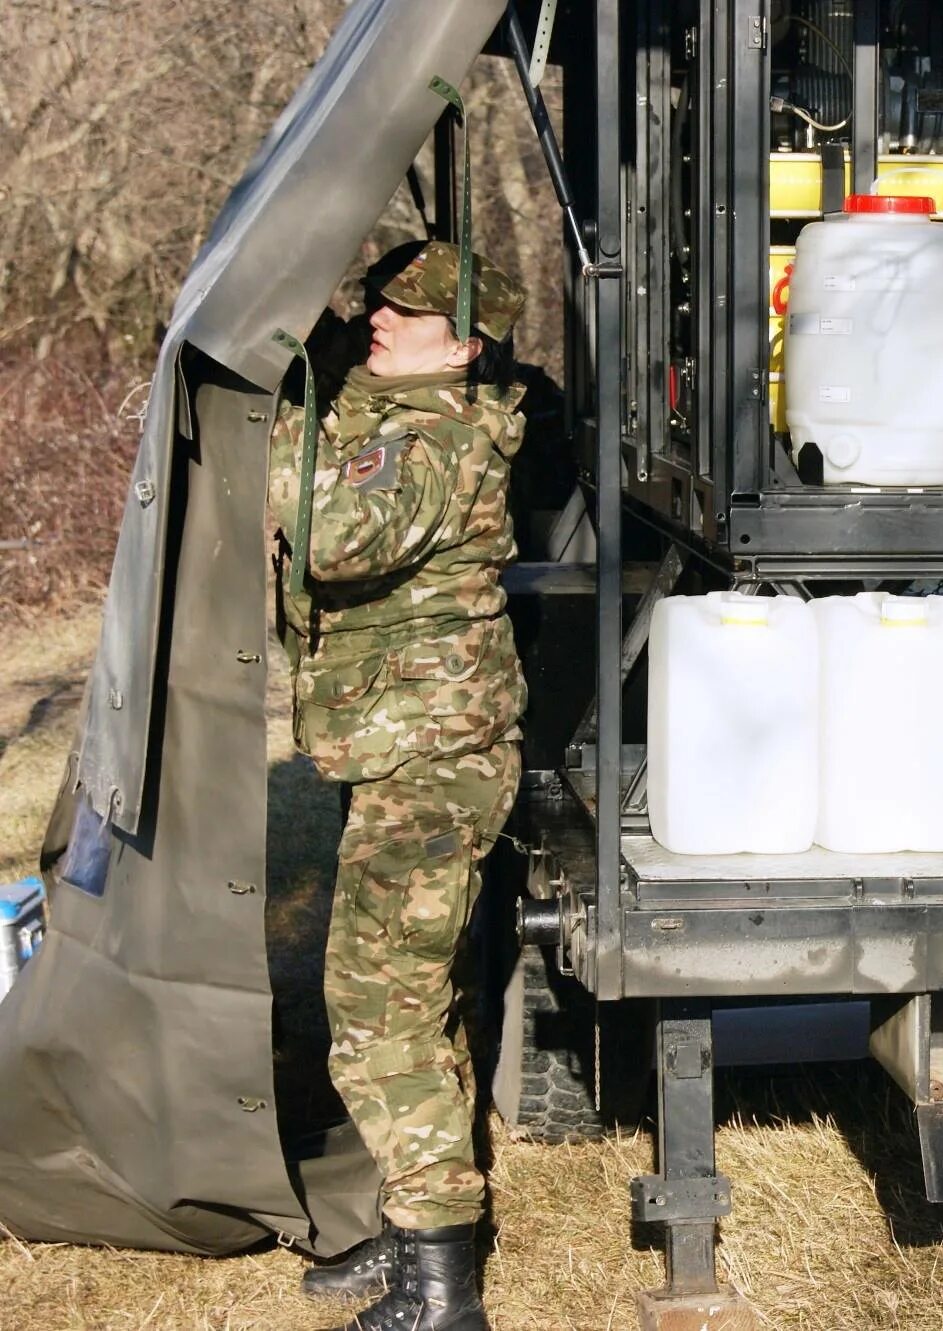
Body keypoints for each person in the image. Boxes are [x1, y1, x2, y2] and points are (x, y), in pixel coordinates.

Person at [268, 238, 529, 1331]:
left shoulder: (432, 434)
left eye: (409, 311)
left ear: (462, 343)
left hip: (430, 759)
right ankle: (413, 1221)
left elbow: (326, 536)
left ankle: (441, 1290)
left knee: (375, 1012)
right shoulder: (396, 413)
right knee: (417, 1001)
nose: (381, 316)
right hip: (411, 744)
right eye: (381, 298)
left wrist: (285, 411)